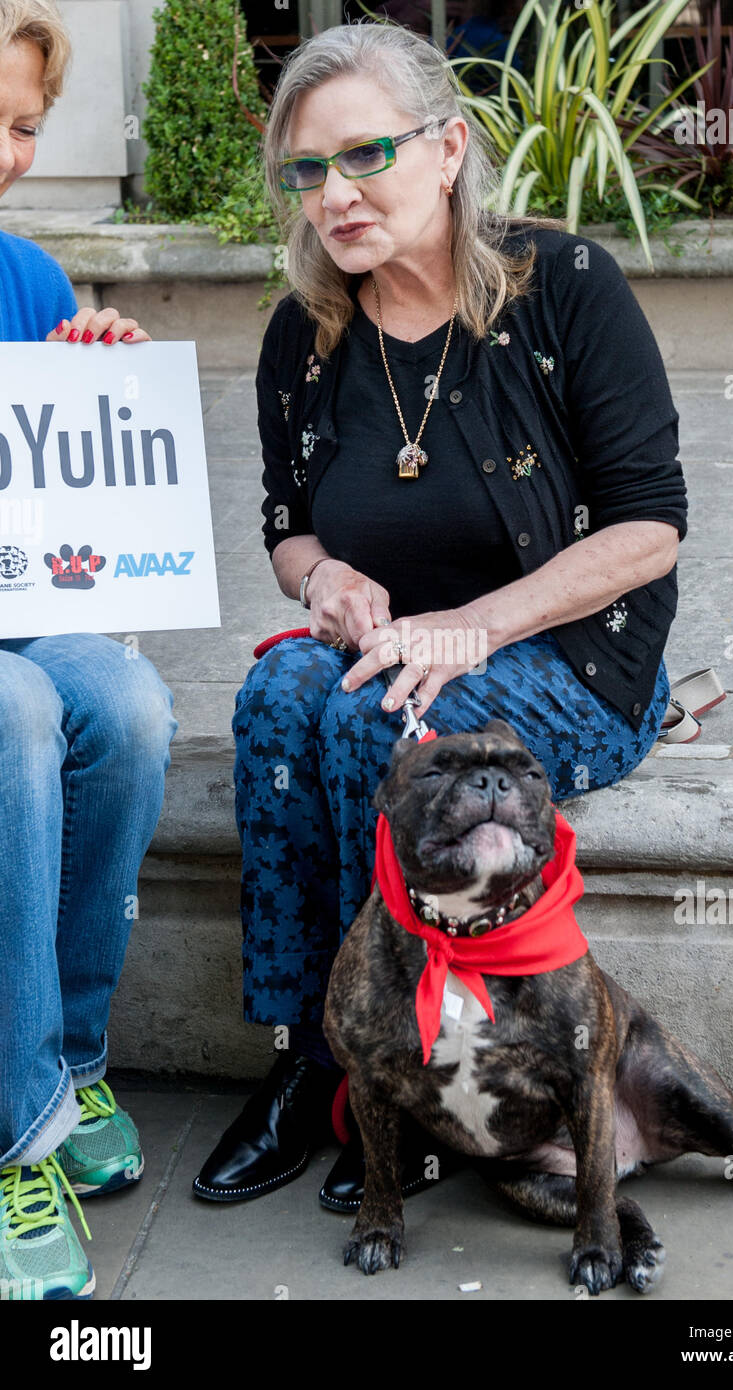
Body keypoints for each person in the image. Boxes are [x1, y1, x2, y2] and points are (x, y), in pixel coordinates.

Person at [193, 19, 687, 1212]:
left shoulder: (563, 289)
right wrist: (324, 583)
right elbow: (287, 528)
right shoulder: (301, 337)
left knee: (388, 730)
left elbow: (647, 529)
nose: (334, 196)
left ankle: (414, 1075)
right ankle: (310, 1059)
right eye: (308, 171)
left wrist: (474, 623)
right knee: (276, 702)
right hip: (392, 642)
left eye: (364, 155)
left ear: (449, 147)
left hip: (567, 658)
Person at [0, 0, 176, 1300]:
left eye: (23, 126)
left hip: (21, 610)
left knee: (131, 698)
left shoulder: (33, 278)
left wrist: (95, 375)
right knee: (12, 716)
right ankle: (19, 1136)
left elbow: (74, 506)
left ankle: (71, 1053)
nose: (10, 150)